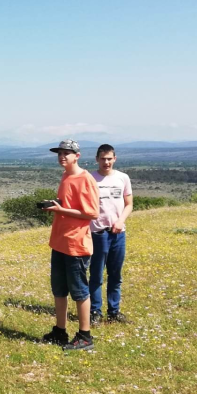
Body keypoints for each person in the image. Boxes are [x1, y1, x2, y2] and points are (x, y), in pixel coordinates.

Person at [39, 139, 100, 351]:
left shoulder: (86, 179)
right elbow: (70, 206)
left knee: (80, 291)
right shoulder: (66, 176)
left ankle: (85, 336)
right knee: (59, 290)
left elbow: (92, 213)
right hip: (60, 241)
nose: (62, 156)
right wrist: (56, 206)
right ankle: (60, 330)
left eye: (67, 153)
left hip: (76, 244)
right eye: (60, 153)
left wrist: (60, 210)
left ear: (77, 156)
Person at [88, 144, 133, 324]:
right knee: (96, 275)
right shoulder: (90, 179)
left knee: (115, 274)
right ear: (97, 159)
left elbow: (129, 203)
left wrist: (121, 221)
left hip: (118, 234)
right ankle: (95, 312)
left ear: (115, 159)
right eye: (103, 159)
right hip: (97, 233)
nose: (106, 162)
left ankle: (114, 311)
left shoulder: (123, 178)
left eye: (109, 158)